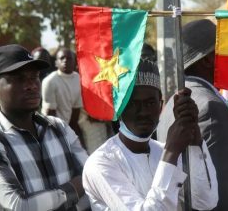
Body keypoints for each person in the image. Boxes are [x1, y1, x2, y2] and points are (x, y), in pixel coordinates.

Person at [82, 58, 218, 210]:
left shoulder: (162, 151)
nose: (144, 112)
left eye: (150, 103)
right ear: (119, 108)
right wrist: (171, 153)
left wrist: (194, 138)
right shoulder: (101, 163)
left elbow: (205, 201)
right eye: (133, 104)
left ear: (161, 105)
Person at [0, 44, 89, 211]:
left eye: (34, 77)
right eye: (19, 79)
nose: (31, 85)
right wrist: (73, 189)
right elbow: (16, 206)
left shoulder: (58, 127)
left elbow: (93, 182)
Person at [157, 19, 228, 211]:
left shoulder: (178, 99)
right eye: (225, 50)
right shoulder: (210, 106)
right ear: (208, 59)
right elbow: (213, 196)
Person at [41, 47, 84, 143]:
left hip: (69, 128)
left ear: (75, 62)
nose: (65, 61)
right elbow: (50, 114)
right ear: (56, 62)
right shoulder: (50, 81)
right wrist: (59, 137)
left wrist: (70, 133)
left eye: (69, 58)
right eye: (62, 58)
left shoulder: (78, 79)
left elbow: (76, 109)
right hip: (51, 130)